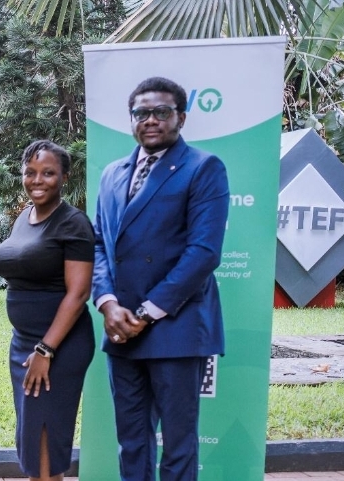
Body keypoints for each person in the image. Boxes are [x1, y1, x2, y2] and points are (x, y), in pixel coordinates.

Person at [92, 76, 229, 481]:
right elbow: (98, 244)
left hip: (175, 325)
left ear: (181, 118)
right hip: (121, 328)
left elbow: (204, 253)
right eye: (141, 112)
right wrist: (107, 304)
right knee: (131, 442)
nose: (150, 120)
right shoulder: (112, 173)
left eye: (161, 112)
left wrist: (146, 313)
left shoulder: (203, 168)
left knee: (179, 445)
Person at [0, 140, 95, 481]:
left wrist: (45, 349)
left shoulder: (73, 223)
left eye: (48, 173)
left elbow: (78, 293)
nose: (37, 180)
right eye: (30, 172)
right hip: (24, 343)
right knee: (33, 439)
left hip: (57, 346)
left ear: (64, 177)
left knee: (46, 437)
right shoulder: (25, 217)